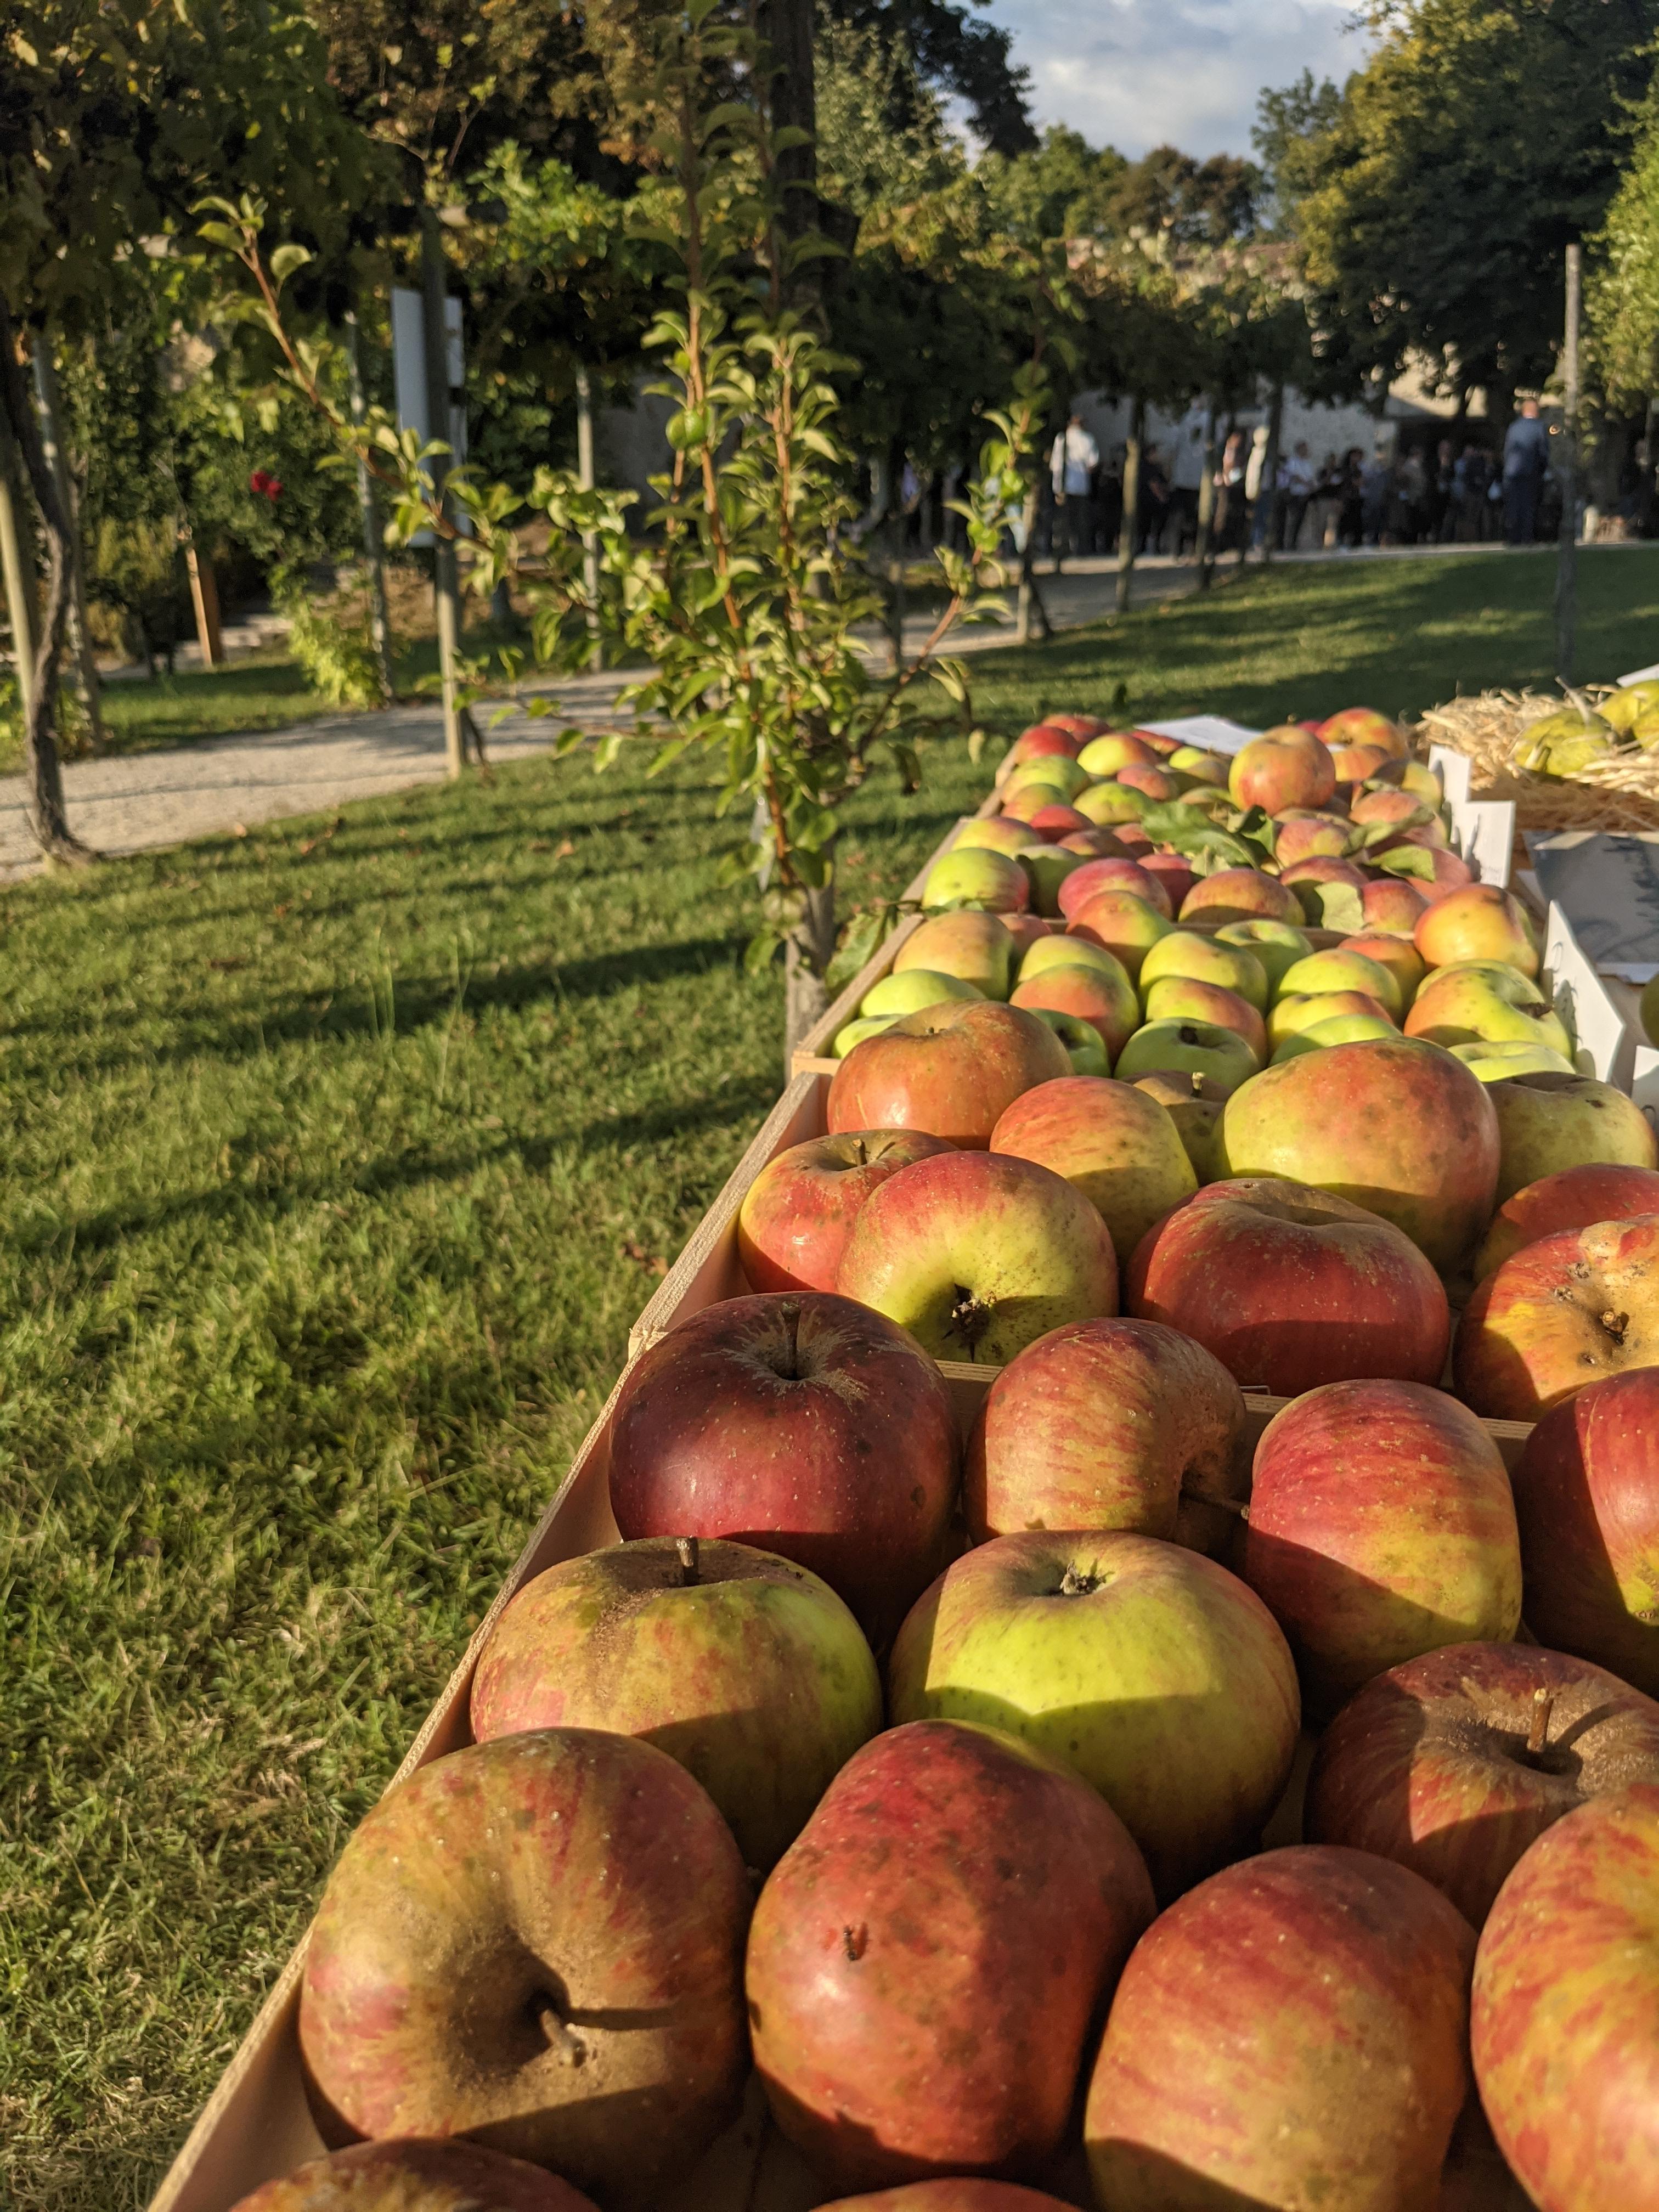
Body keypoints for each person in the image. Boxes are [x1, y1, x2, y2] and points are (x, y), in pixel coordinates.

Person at [1050, 412, 1100, 566]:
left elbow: (1054, 464)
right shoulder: (1088, 439)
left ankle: (1062, 548)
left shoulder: (1061, 438)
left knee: (1063, 519)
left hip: (1062, 486)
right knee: (1081, 519)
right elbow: (1093, 463)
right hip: (1080, 486)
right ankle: (1082, 549)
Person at [1503, 398, 1550, 547]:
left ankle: (1513, 537)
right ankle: (1526, 537)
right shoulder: (1538, 427)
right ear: (1534, 411)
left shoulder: (1513, 427)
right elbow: (1543, 453)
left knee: (1514, 506)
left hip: (1512, 473)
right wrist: (1543, 471)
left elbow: (1508, 450)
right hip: (1530, 472)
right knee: (1528, 506)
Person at [1168, 407, 1207, 554]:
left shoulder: (1182, 419)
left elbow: (1173, 448)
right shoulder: (1209, 418)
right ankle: (1191, 549)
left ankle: (1177, 550)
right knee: (1194, 515)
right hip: (1199, 478)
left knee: (1180, 515)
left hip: (1182, 477)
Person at [1279, 440, 1317, 550]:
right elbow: (1294, 476)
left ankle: (1294, 543)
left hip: (1305, 494)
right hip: (1295, 495)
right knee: (1293, 520)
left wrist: (1311, 486)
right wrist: (1306, 484)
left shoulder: (1307, 463)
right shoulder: (1293, 462)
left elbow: (1310, 478)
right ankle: (1289, 544)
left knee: (1300, 520)